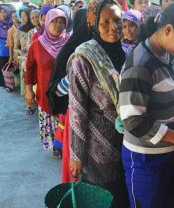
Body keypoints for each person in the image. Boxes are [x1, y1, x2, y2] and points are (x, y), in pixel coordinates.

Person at [119, 1, 174, 207]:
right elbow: (133, 120)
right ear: (168, 30)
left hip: (165, 154)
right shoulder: (140, 64)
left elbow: (161, 89)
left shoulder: (166, 53)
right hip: (145, 160)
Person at [67, 0, 129, 206]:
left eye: (118, 20)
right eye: (105, 22)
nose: (114, 27)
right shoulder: (84, 58)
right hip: (98, 147)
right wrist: (76, 155)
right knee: (104, 197)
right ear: (93, 23)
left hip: (129, 142)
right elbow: (77, 110)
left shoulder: (128, 53)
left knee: (123, 195)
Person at [46, 8, 93, 183]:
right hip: (76, 120)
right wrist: (77, 77)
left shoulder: (102, 49)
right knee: (77, 169)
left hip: (98, 121)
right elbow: (55, 90)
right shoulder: (69, 52)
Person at [25, 9, 69, 157]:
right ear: (47, 22)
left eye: (62, 21)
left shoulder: (69, 42)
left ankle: (65, 146)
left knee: (64, 119)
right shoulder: (37, 45)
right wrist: (28, 88)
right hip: (45, 92)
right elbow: (30, 67)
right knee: (51, 119)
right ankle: (55, 147)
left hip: (65, 92)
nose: (58, 25)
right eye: (55, 21)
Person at [0, 6, 12, 87]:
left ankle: (13, 84)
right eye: (1, 12)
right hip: (3, 49)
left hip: (13, 49)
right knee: (3, 68)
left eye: (5, 12)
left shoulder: (13, 23)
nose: (3, 14)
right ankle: (5, 84)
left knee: (12, 67)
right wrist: (5, 42)